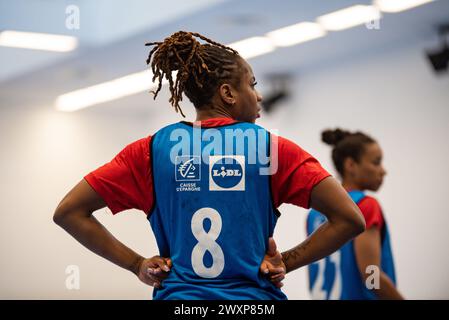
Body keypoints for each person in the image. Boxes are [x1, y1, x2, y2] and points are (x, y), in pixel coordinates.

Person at [53, 31, 365, 300]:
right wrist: (284, 261)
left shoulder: (150, 150)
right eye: (252, 85)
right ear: (228, 93)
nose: (258, 97)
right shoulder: (270, 147)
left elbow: (68, 211)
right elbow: (350, 219)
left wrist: (137, 265)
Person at [307, 128, 404, 300]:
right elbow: (370, 274)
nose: (383, 171)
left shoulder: (314, 214)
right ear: (351, 165)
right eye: (376, 162)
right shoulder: (365, 206)